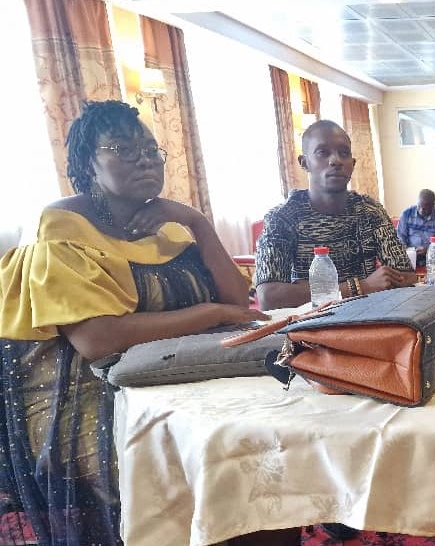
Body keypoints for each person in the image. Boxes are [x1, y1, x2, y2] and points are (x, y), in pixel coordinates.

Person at [0, 100, 265, 545]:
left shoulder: (169, 226)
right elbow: (98, 339)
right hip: (80, 393)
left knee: (257, 444)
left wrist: (198, 223)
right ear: (89, 163)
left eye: (150, 149)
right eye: (122, 149)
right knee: (207, 461)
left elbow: (238, 299)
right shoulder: (60, 227)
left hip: (169, 375)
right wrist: (212, 315)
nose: (144, 159)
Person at [254, 120, 416, 310]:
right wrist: (360, 287)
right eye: (323, 152)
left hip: (370, 317)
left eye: (344, 153)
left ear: (353, 164)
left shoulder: (370, 211)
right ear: (304, 162)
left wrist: (304, 291)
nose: (336, 160)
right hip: (312, 323)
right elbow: (269, 297)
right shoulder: (282, 218)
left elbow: (407, 276)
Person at [396, 188, 435, 265]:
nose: (421, 210)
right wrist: (407, 250)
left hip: (433, 253)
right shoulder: (407, 214)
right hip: (411, 253)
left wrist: (428, 249)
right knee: (395, 257)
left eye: (425, 207)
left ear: (433, 205)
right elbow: (400, 236)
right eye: (419, 206)